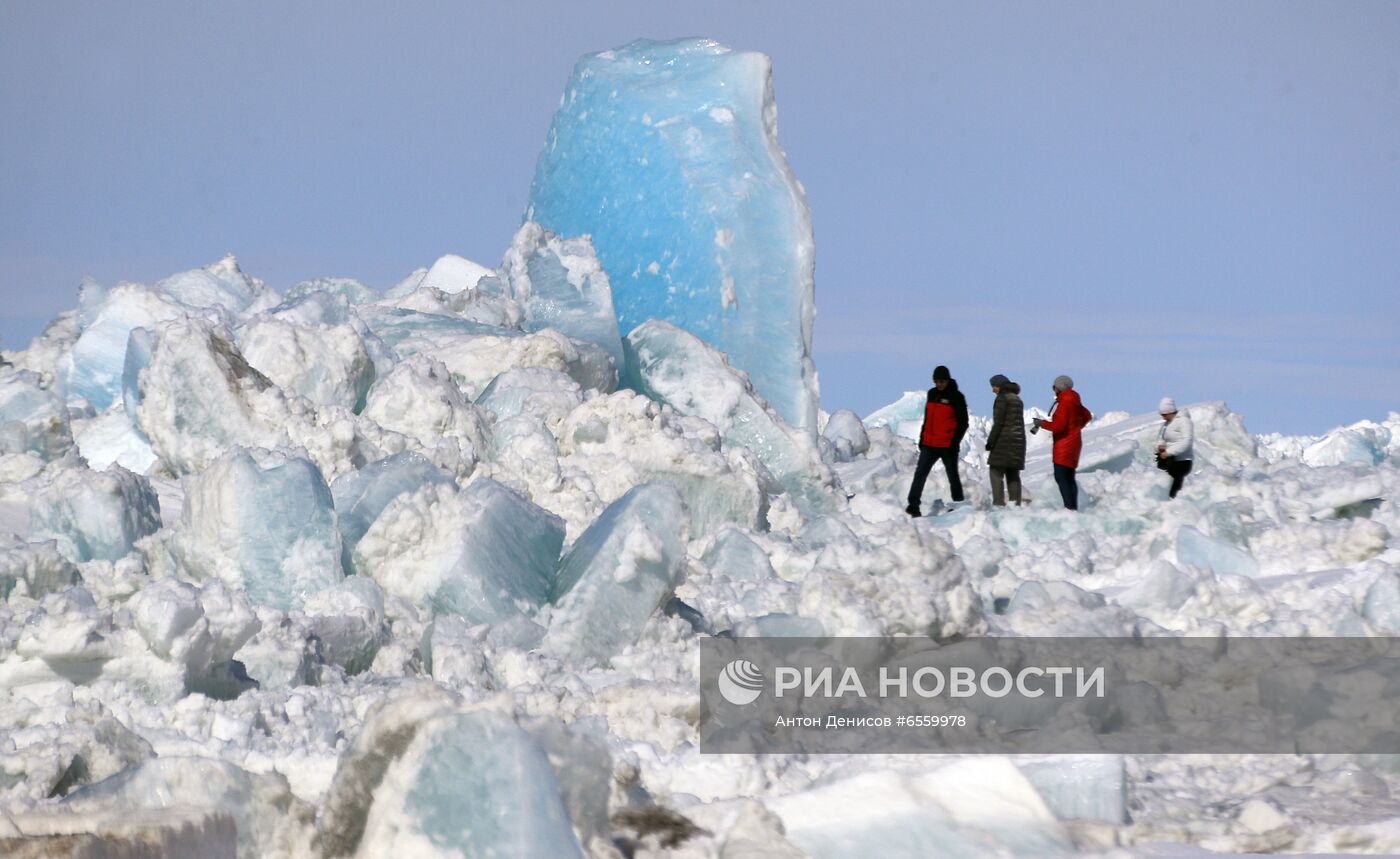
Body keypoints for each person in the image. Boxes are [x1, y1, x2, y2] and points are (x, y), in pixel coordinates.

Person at [906, 365, 968, 517]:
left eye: (942, 381)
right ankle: (913, 506)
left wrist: (954, 443)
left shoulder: (956, 397)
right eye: (936, 381)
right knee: (920, 474)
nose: (939, 384)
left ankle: (959, 505)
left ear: (947, 380)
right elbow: (928, 418)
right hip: (929, 444)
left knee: (953, 476)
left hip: (947, 446)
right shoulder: (932, 394)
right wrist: (922, 437)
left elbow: (963, 422)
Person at [1032, 374, 1092, 511]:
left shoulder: (1065, 403)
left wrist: (1042, 423)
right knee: (1069, 477)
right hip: (1075, 442)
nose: (1053, 390)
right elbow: (1087, 415)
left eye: (1054, 387)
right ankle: (1073, 507)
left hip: (1064, 445)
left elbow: (1059, 426)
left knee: (1061, 477)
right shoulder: (1075, 400)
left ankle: (1069, 508)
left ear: (1059, 388)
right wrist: (1076, 427)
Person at [984, 374, 1025, 506]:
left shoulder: (1002, 399)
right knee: (1013, 474)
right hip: (1018, 442)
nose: (992, 390)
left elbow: (999, 423)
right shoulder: (1017, 399)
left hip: (1004, 441)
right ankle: (1016, 505)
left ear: (999, 385)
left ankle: (998, 504)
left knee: (995, 472)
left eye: (994, 386)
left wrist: (991, 442)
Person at [1155, 396, 1194, 498]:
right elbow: (1161, 439)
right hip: (1169, 460)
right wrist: (1160, 447)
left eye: (1164, 414)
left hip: (1183, 462)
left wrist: (1169, 452)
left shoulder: (1184, 421)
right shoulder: (1166, 424)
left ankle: (1174, 503)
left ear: (1170, 411)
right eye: (1161, 415)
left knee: (1175, 487)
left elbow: (1186, 441)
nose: (1163, 417)